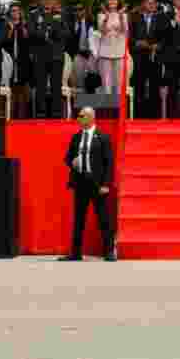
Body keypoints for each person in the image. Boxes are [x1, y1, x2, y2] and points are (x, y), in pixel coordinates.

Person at [60, 107, 115, 262]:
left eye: (82, 116)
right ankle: (76, 253)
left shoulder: (103, 137)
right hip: (80, 182)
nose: (79, 118)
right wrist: (72, 162)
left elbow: (109, 163)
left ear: (91, 118)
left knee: (103, 218)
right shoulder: (76, 137)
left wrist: (106, 184)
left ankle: (109, 251)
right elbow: (67, 158)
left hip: (97, 183)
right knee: (79, 219)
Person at [30, 0, 68, 118]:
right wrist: (46, 33)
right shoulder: (34, 15)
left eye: (51, 0)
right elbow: (31, 32)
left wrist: (51, 31)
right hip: (40, 56)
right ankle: (40, 113)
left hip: (56, 56)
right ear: (41, 1)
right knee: (40, 86)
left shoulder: (61, 15)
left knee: (56, 86)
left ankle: (56, 113)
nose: (48, 2)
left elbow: (67, 33)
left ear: (54, 1)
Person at [130, 0, 164, 118]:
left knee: (154, 87)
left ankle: (154, 116)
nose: (152, 5)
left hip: (155, 58)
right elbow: (129, 37)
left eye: (154, 3)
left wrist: (159, 45)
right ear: (143, 4)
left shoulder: (161, 19)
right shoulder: (134, 18)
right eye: (149, 2)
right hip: (139, 57)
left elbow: (166, 37)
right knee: (138, 86)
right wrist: (137, 43)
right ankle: (138, 116)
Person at [97, 0, 128, 95]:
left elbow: (125, 31)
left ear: (118, 1)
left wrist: (120, 16)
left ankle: (119, 109)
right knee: (106, 85)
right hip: (105, 51)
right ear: (107, 1)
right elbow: (102, 31)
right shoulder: (101, 15)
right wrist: (106, 17)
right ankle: (108, 109)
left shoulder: (124, 15)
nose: (112, 1)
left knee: (119, 84)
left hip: (119, 51)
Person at [5, 4, 31, 119]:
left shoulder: (25, 25)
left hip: (22, 61)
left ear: (20, 13)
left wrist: (24, 29)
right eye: (13, 11)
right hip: (10, 61)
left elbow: (28, 40)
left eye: (17, 11)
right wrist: (10, 30)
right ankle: (11, 116)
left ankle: (22, 117)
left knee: (22, 90)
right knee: (12, 89)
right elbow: (5, 42)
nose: (15, 13)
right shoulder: (7, 25)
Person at [67, 2, 96, 92]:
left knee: (91, 82)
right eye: (75, 10)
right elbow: (69, 41)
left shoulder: (91, 22)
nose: (78, 12)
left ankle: (91, 104)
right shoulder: (71, 24)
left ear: (84, 10)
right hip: (77, 56)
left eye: (80, 9)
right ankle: (81, 104)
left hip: (90, 56)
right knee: (79, 84)